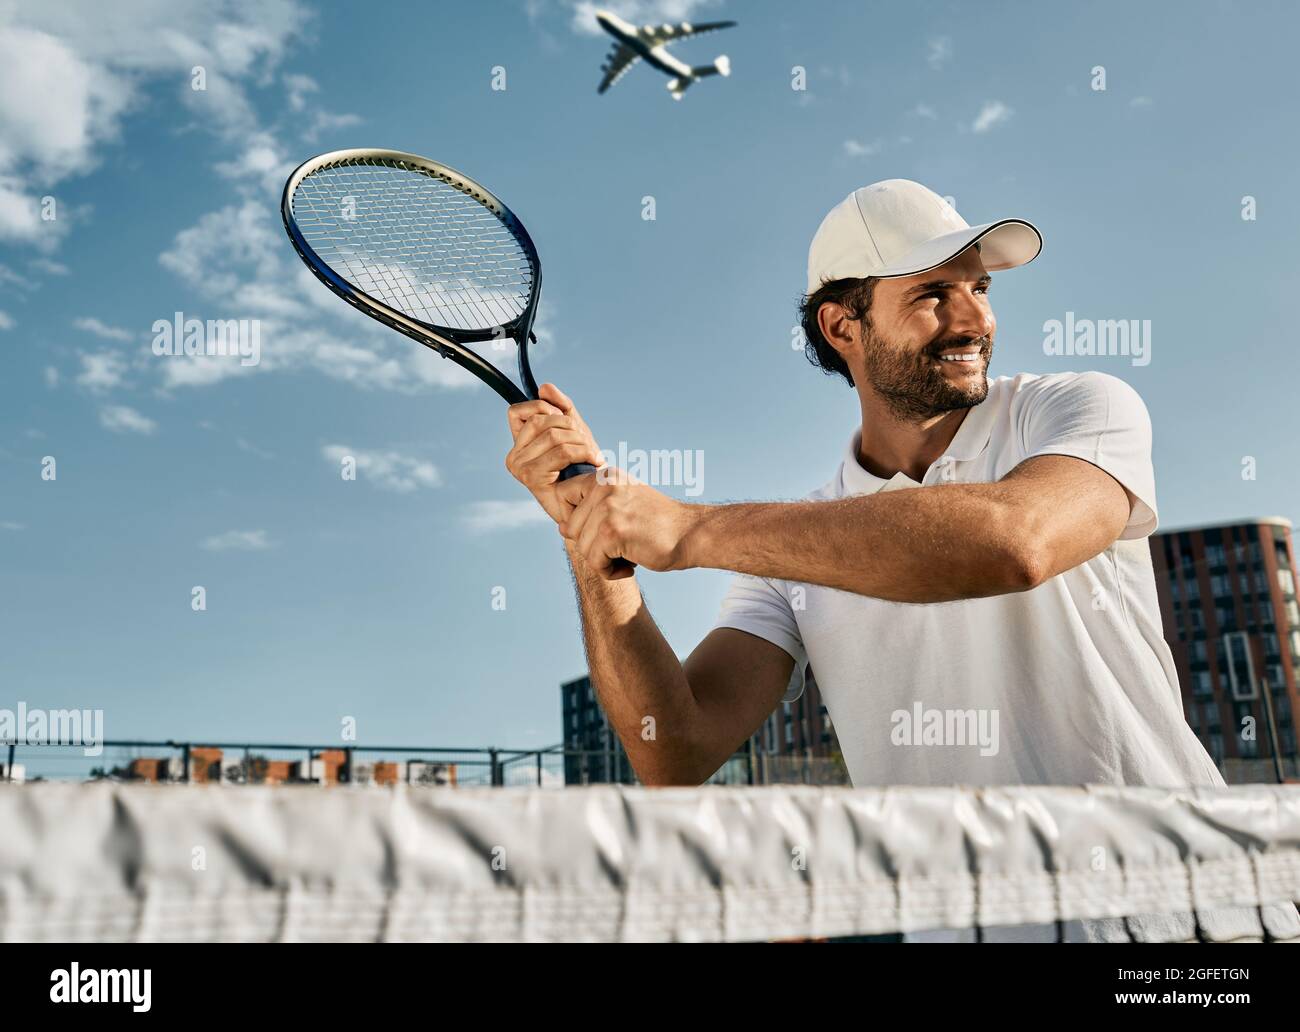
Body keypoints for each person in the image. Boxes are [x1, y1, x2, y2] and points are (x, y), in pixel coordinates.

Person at [504, 178, 1222, 795]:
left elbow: (1016, 543)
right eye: (935, 293)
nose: (975, 318)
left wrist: (690, 531)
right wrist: (593, 542)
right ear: (842, 325)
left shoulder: (1078, 407)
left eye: (979, 287)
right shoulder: (792, 551)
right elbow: (676, 751)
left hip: (1187, 918)